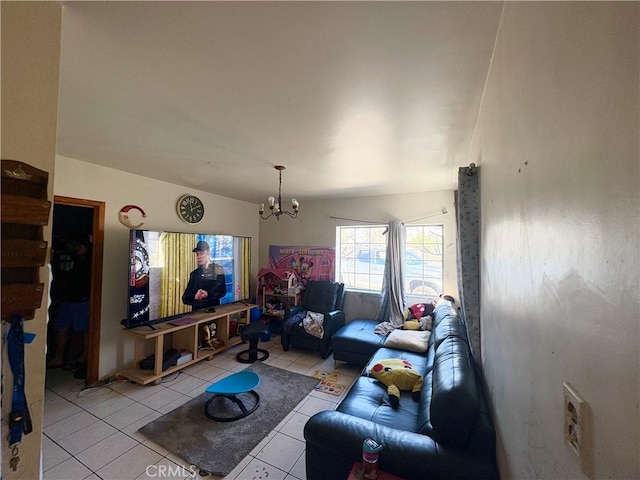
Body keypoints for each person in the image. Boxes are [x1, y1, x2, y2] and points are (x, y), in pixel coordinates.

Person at [47, 236, 91, 378]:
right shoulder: (66, 258)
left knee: (82, 330)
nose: (77, 250)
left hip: (82, 301)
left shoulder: (89, 261)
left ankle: (82, 357)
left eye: (80, 247)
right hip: (65, 300)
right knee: (61, 328)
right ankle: (59, 357)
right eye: (76, 247)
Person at [182, 241, 227, 311]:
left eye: (202, 253)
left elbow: (221, 292)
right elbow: (185, 298)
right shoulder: (194, 274)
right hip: (197, 314)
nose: (199, 257)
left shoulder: (218, 269)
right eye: (197, 254)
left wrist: (207, 294)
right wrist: (195, 297)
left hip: (213, 312)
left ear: (208, 253)